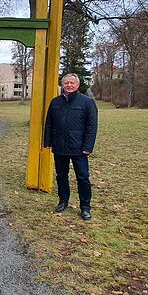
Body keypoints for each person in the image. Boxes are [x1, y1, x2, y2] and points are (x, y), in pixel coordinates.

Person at [43, 73, 98, 220]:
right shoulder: (55, 102)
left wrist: (88, 146)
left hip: (79, 148)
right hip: (60, 146)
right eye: (66, 83)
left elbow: (92, 126)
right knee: (61, 176)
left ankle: (85, 207)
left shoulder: (87, 102)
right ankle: (63, 201)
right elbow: (49, 124)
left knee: (83, 177)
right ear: (63, 85)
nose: (69, 85)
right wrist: (48, 142)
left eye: (72, 83)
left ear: (77, 85)